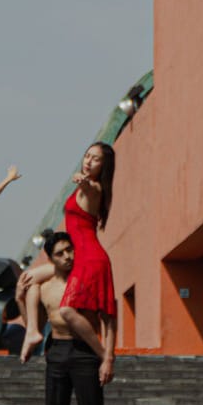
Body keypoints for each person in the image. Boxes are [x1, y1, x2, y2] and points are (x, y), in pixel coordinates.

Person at [19, 232, 114, 405]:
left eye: (69, 250)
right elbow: (34, 323)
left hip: (86, 351)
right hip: (58, 350)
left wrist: (108, 358)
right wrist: (20, 298)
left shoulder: (86, 281)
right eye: (60, 253)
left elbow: (107, 319)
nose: (67, 256)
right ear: (50, 258)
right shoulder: (45, 287)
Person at [48, 142, 118, 384]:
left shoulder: (95, 188)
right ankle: (34, 334)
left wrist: (83, 181)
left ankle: (105, 356)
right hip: (80, 257)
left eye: (95, 159)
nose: (88, 161)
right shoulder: (86, 187)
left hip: (91, 258)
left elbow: (90, 188)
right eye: (87, 156)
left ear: (104, 166)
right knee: (30, 279)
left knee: (68, 310)